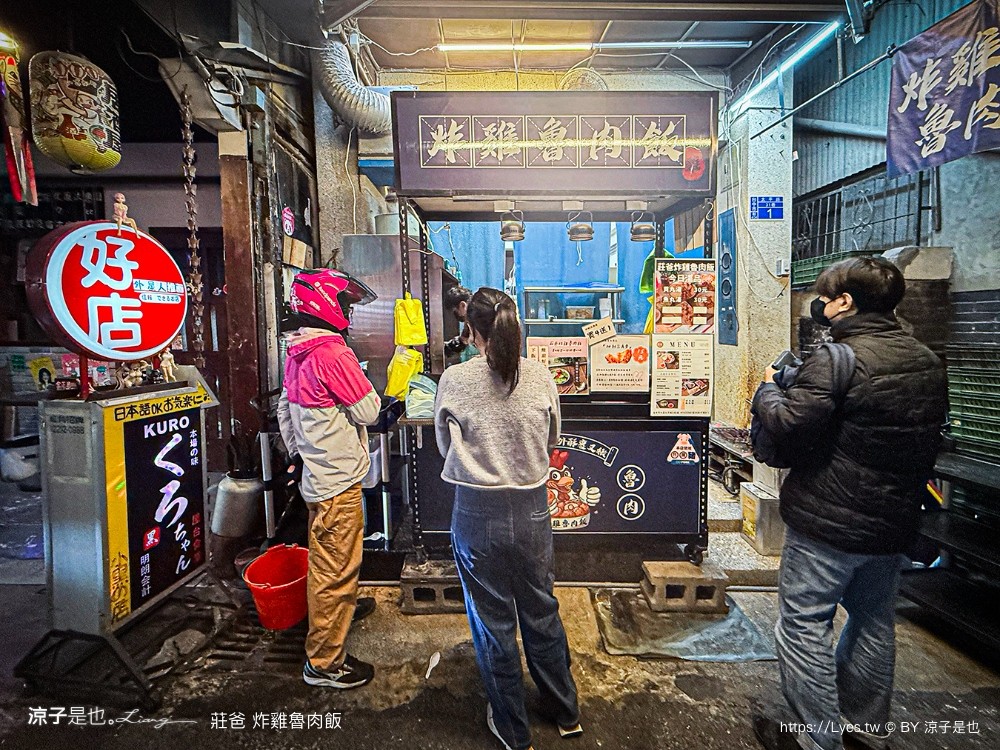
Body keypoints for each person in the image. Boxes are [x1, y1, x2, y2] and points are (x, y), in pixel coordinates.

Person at [750, 257, 947, 750]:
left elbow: (789, 424)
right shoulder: (926, 359)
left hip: (827, 522)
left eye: (826, 295)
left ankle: (818, 740)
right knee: (874, 620)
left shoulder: (840, 358)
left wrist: (768, 389)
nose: (820, 303)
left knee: (803, 625)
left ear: (844, 302)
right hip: (893, 520)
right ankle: (863, 731)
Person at [434, 287, 582, 750]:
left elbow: (445, 445)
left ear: (472, 330)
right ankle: (564, 711)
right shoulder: (541, 377)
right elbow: (553, 436)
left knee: (493, 619)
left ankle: (512, 730)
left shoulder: (455, 380)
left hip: (477, 510)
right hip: (533, 506)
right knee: (541, 608)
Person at [277, 268, 382, 690]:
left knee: (332, 558)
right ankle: (324, 663)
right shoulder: (331, 353)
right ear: (326, 303)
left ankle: (341, 610)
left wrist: (300, 452)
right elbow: (370, 410)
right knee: (334, 567)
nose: (349, 314)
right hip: (337, 481)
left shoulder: (298, 349)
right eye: (346, 305)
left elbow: (286, 410)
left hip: (319, 475)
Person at [443, 285, 480, 362]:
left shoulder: (479, 321)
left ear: (463, 305)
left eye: (455, 311)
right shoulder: (470, 321)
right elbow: (464, 340)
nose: (455, 316)